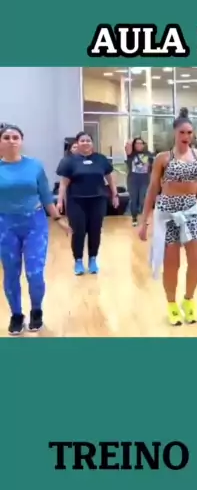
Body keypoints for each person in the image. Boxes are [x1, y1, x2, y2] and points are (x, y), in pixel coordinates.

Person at [138, 108, 197, 326]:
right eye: (182, 132)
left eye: (189, 132)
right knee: (172, 263)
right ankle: (171, 304)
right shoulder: (163, 158)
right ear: (175, 133)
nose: (186, 136)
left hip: (191, 209)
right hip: (168, 212)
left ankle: (188, 300)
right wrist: (144, 221)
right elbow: (152, 189)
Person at [0, 123, 70, 335]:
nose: (11, 141)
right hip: (5, 226)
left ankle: (36, 311)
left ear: (21, 141)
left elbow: (46, 195)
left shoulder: (34, 166)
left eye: (15, 137)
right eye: (6, 137)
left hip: (35, 224)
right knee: (11, 273)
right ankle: (16, 315)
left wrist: (58, 219)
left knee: (35, 273)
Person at [57, 132, 119, 275]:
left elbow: (110, 179)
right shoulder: (69, 161)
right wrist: (60, 201)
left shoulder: (100, 159)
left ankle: (93, 259)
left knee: (95, 230)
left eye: (88, 140)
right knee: (78, 231)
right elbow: (64, 183)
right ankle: (78, 260)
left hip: (98, 200)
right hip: (76, 201)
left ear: (92, 143)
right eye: (82, 140)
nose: (85, 143)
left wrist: (115, 194)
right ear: (77, 143)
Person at [125, 137, 154, 226]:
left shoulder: (149, 154)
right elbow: (127, 146)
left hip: (144, 180)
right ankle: (134, 218)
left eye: (141, 143)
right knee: (133, 200)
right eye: (137, 143)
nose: (139, 145)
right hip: (133, 181)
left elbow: (153, 167)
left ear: (144, 144)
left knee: (143, 200)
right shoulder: (131, 154)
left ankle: (145, 218)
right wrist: (131, 141)